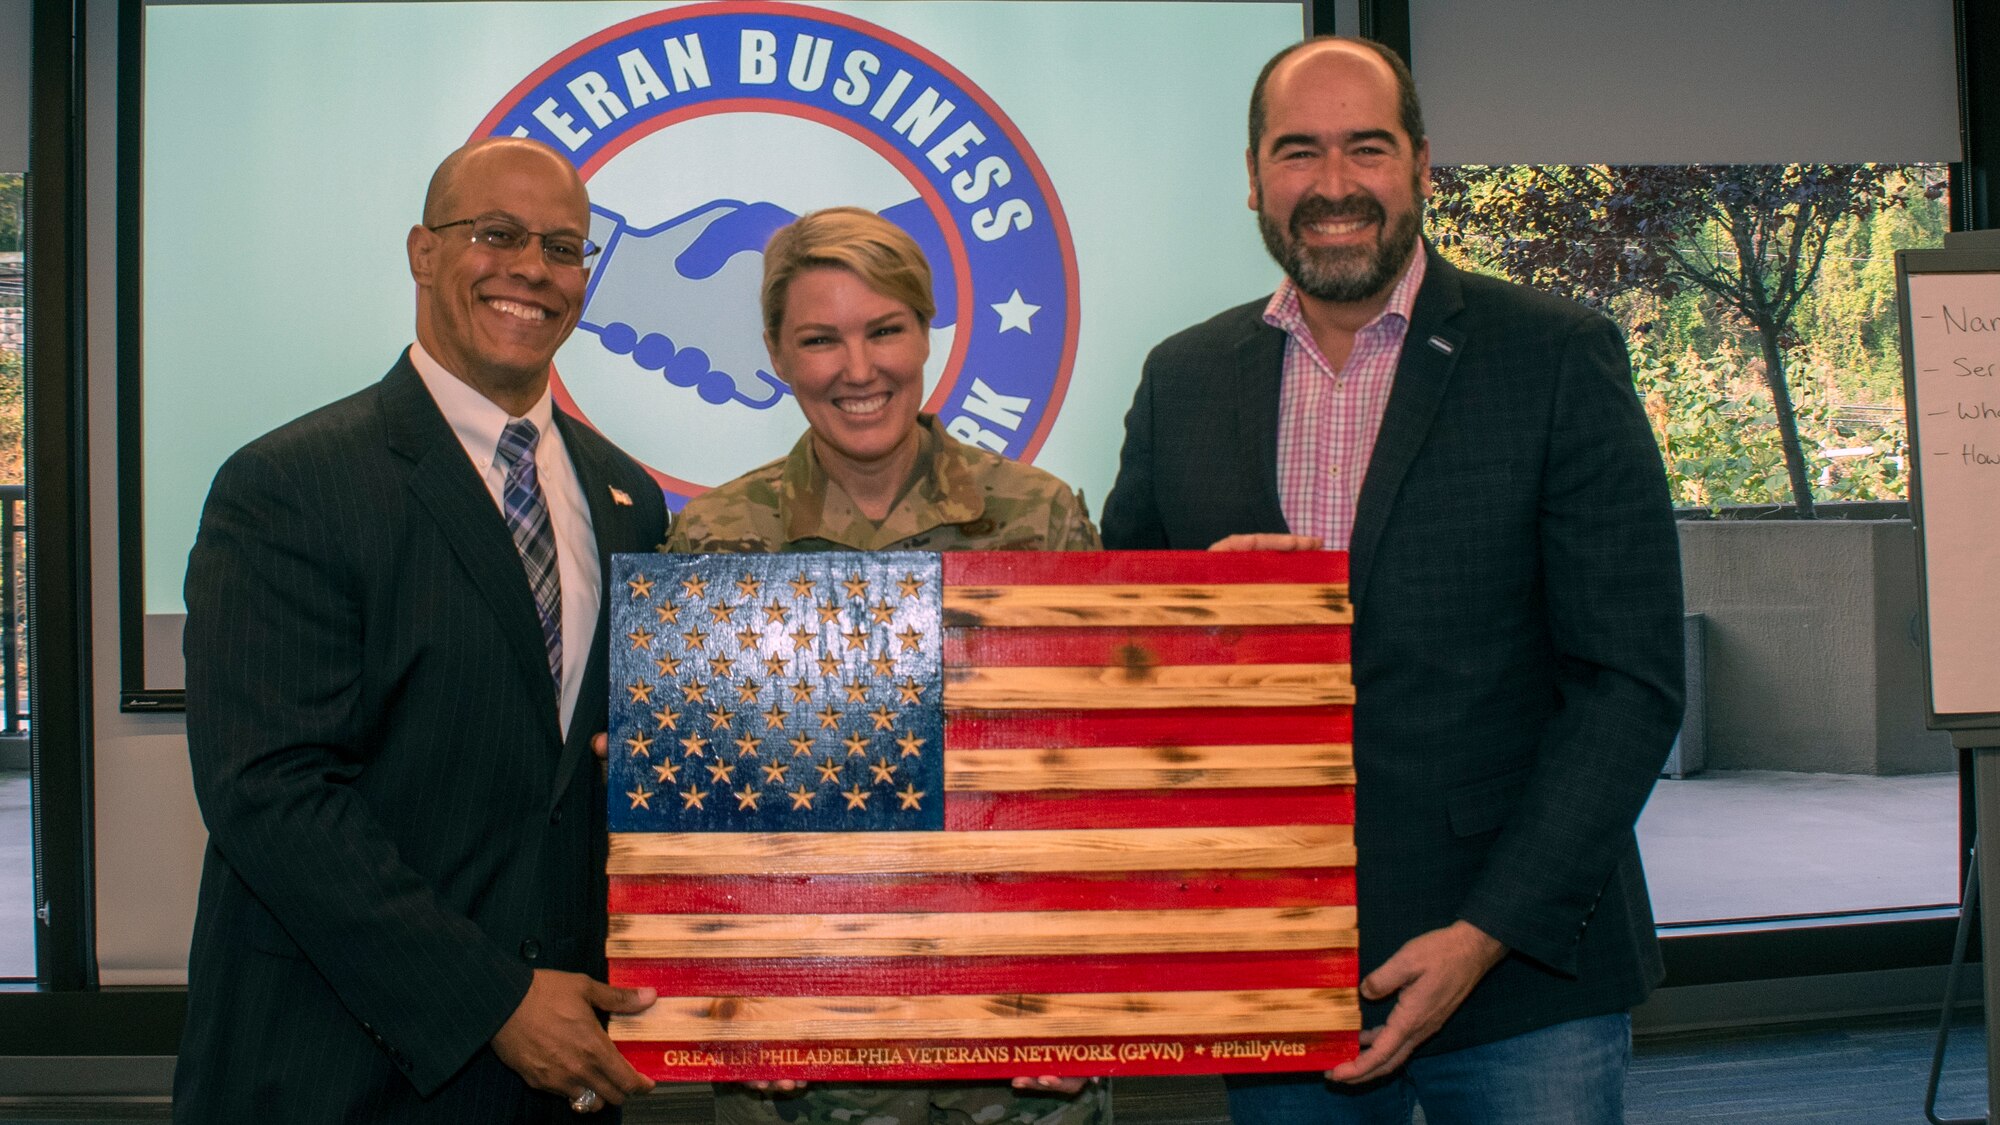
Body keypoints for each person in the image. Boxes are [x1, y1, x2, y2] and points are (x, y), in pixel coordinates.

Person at [1099, 37, 1685, 1125]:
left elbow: (1627, 682)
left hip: (1521, 974)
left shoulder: (1555, 356)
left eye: (1365, 149)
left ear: (1420, 165)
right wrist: (1196, 620)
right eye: (1296, 152)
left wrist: (1482, 934)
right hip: (1278, 971)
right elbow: (1116, 666)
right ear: (1250, 177)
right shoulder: (1181, 377)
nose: (1332, 187)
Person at [176, 137, 670, 1123]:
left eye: (565, 248)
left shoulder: (628, 501)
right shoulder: (289, 486)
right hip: (340, 1072)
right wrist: (492, 1001)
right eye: (496, 234)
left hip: (562, 1074)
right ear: (423, 251)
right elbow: (270, 793)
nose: (533, 268)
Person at [665, 206, 1104, 1124]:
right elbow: (696, 825)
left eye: (885, 331)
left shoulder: (1042, 519)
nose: (858, 371)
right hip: (793, 1069)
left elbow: (1089, 790)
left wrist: (1084, 1006)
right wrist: (730, 1005)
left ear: (927, 331)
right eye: (820, 339)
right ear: (778, 356)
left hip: (1017, 1063)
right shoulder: (714, 540)